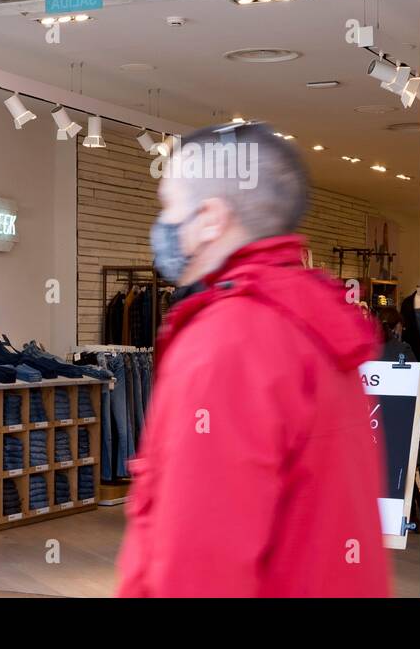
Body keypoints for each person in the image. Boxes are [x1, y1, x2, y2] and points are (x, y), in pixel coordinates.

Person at [116, 122, 390, 597]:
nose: (161, 225)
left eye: (168, 206)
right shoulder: (317, 325)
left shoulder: (228, 340)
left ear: (210, 219)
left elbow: (200, 564)